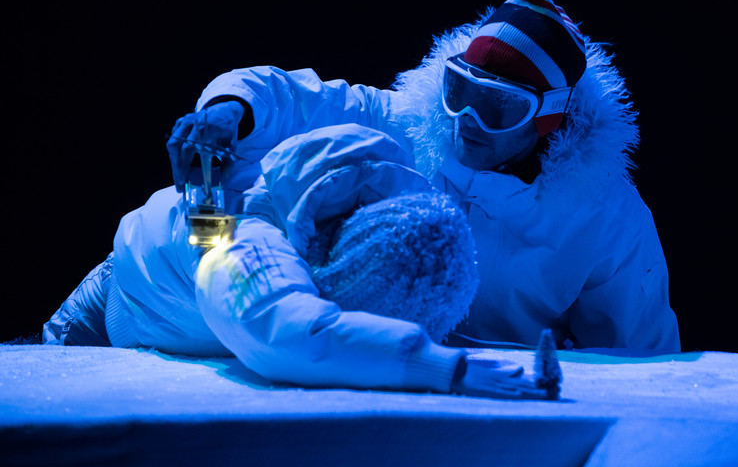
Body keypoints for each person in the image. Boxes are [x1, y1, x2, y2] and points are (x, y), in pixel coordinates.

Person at [168, 0, 681, 352]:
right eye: (460, 90)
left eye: (499, 106)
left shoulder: (608, 221)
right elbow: (290, 96)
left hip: (490, 409)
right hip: (371, 369)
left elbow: (639, 362)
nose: (467, 119)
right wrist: (229, 109)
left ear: (548, 120)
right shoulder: (407, 128)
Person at [44, 124, 552, 399]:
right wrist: (445, 368)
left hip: (165, 303)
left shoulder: (357, 215)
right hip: (106, 312)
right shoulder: (243, 240)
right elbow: (287, 330)